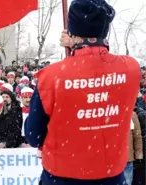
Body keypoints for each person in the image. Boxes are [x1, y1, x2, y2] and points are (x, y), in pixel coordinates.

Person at [25, 0, 141, 184]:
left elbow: (33, 135)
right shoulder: (131, 69)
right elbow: (103, 62)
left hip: (61, 176)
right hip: (111, 174)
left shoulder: (51, 76)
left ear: (73, 33)